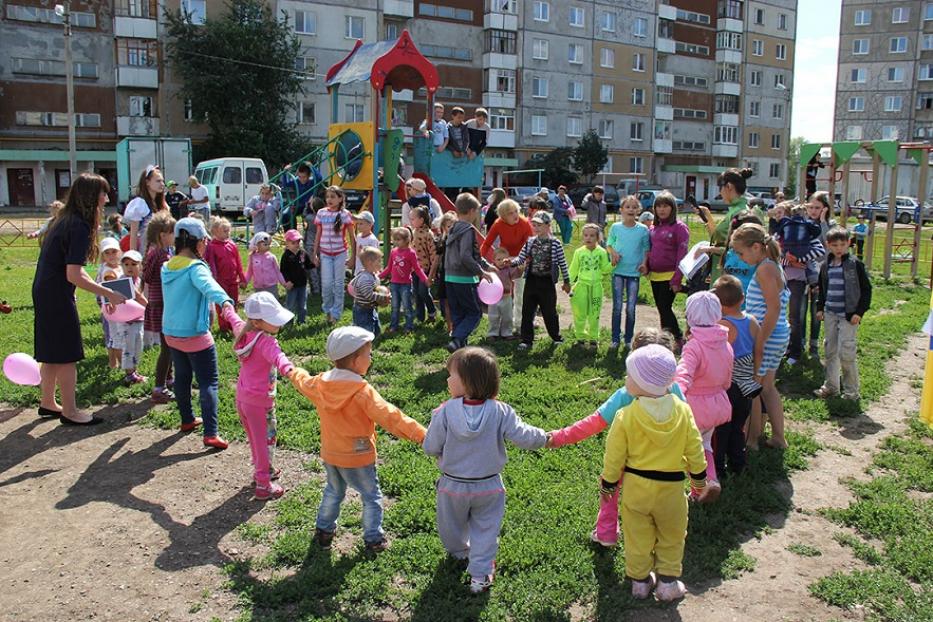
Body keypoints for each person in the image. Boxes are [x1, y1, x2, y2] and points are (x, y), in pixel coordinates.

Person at [287, 326, 427, 551]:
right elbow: (391, 416)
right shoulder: (362, 391)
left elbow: (303, 381)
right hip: (359, 456)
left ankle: (324, 530)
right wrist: (421, 434)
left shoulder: (321, 383)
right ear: (355, 361)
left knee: (333, 490)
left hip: (331, 453)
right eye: (368, 354)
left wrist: (293, 371)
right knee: (371, 496)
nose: (371, 358)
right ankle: (374, 538)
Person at [423, 347, 547, 593]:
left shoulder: (445, 411)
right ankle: (480, 575)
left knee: (451, 526)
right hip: (489, 487)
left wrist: (439, 451)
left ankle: (459, 552)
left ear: (468, 381)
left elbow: (429, 446)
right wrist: (545, 438)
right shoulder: (501, 411)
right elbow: (523, 436)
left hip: (452, 486)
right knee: (486, 530)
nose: (447, 380)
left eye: (452, 375)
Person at [547, 328, 685, 548]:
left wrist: (560, 437)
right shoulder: (674, 389)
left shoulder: (625, 394)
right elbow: (688, 424)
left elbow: (594, 422)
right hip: (664, 461)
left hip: (625, 460)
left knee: (609, 487)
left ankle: (606, 532)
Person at [600, 344, 708, 601]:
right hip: (671, 490)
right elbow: (695, 448)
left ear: (643, 382)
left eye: (630, 376)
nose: (626, 380)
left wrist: (608, 485)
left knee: (637, 535)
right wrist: (699, 481)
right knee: (672, 535)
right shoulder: (683, 410)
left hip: (637, 490)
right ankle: (668, 583)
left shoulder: (626, 415)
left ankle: (639, 581)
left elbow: (614, 457)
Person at [33, 173, 128, 425]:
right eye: (103, 193)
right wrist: (109, 293)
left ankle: (47, 403)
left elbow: (74, 269)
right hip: (56, 295)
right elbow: (73, 273)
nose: (106, 198)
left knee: (51, 351)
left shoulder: (65, 220)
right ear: (90, 196)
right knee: (66, 354)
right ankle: (70, 411)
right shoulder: (79, 225)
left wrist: (100, 289)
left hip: (46, 291)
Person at [161, 217, 234, 449]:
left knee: (182, 377)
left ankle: (187, 419)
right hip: (195, 335)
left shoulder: (167, 266)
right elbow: (209, 286)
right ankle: (211, 432)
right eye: (204, 241)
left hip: (171, 333)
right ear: (197, 242)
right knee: (209, 382)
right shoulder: (195, 268)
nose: (206, 245)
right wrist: (225, 301)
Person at [221, 292, 295, 500]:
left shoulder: (244, 332)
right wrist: (289, 370)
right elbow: (278, 358)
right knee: (264, 441)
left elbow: (234, 318)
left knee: (255, 439)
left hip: (243, 398)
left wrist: (227, 308)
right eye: (273, 319)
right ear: (257, 321)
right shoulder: (267, 342)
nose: (278, 323)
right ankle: (263, 484)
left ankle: (262, 471)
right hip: (260, 403)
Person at [730, 223, 790, 450]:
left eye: (741, 252)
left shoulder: (764, 269)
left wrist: (760, 340)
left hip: (768, 335)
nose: (740, 257)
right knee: (767, 387)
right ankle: (777, 437)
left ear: (756, 247)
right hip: (778, 334)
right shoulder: (773, 265)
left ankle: (752, 439)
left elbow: (773, 308)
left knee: (752, 389)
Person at [674, 292, 733, 500]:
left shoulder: (694, 346)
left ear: (690, 317)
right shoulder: (725, 344)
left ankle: (693, 487)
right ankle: (711, 480)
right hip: (717, 404)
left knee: (685, 449)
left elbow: (684, 374)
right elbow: (727, 378)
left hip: (695, 408)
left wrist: (675, 395)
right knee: (704, 445)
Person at [814, 226, 872, 400]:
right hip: (830, 313)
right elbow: (822, 289)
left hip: (849, 315)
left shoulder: (855, 265)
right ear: (828, 245)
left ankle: (851, 391)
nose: (838, 248)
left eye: (842, 244)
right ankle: (831, 386)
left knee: (846, 353)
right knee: (830, 350)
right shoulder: (825, 266)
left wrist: (859, 312)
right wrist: (819, 307)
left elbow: (866, 289)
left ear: (848, 244)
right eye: (834, 245)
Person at [712, 275, 761, 476]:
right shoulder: (751, 320)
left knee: (721, 429)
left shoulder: (723, 325)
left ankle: (718, 467)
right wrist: (756, 374)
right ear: (743, 298)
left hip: (728, 385)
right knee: (738, 427)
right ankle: (738, 464)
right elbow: (759, 350)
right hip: (746, 383)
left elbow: (720, 355)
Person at [505, 211, 571, 350]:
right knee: (527, 311)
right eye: (534, 225)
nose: (536, 228)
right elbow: (521, 258)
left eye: (539, 225)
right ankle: (526, 340)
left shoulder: (555, 243)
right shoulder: (530, 242)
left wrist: (566, 281)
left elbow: (563, 263)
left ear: (548, 226)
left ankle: (556, 337)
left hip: (547, 282)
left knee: (549, 311)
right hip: (532, 280)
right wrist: (511, 262)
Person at [445, 193, 496, 352]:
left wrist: (487, 265)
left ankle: (459, 346)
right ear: (472, 211)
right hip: (464, 279)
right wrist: (481, 272)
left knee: (459, 313)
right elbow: (466, 256)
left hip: (450, 278)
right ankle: (457, 339)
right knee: (474, 313)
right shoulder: (467, 230)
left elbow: (474, 255)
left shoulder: (452, 228)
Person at [696, 168, 760, 282]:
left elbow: (738, 248)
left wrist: (708, 249)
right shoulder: (735, 209)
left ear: (729, 186)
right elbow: (719, 238)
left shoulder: (739, 212)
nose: (720, 192)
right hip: (726, 267)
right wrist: (708, 217)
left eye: (720, 188)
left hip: (734, 272)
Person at [480, 199, 534, 333]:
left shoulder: (525, 223)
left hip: (521, 260)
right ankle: (500, 325)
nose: (515, 215)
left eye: (516, 211)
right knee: (503, 294)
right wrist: (479, 261)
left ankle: (520, 323)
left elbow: (531, 246)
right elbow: (487, 243)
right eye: (510, 213)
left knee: (520, 293)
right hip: (504, 262)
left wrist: (522, 261)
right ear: (503, 216)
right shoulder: (498, 224)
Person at [646, 192, 690, 348]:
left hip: (670, 274)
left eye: (665, 206)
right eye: (658, 206)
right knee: (661, 308)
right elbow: (650, 249)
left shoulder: (679, 227)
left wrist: (677, 278)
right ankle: (665, 339)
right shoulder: (654, 227)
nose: (661, 209)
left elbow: (682, 254)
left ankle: (678, 338)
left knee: (665, 307)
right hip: (654, 275)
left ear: (672, 208)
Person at [607, 195, 650, 349]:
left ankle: (628, 339)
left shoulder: (643, 229)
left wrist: (644, 264)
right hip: (618, 271)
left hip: (634, 273)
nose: (631, 209)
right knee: (617, 306)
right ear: (621, 210)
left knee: (631, 307)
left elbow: (646, 249)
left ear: (638, 210)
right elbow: (609, 244)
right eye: (627, 207)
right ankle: (615, 338)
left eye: (634, 207)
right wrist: (613, 253)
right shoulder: (615, 227)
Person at [143, 212, 177, 404]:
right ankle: (159, 387)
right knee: (167, 348)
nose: (175, 236)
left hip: (158, 304)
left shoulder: (154, 252)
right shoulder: (162, 255)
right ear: (163, 234)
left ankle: (168, 379)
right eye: (173, 232)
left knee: (169, 345)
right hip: (164, 305)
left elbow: (146, 277)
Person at [313, 185, 356, 324]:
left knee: (338, 284)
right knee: (326, 284)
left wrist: (353, 257)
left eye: (333, 197)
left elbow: (352, 237)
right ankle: (327, 310)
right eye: (327, 197)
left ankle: (336, 313)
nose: (329, 200)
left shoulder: (345, 214)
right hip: (325, 253)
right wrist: (315, 253)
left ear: (340, 198)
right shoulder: (321, 213)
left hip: (340, 253)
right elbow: (318, 235)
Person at [109, 250, 149, 385]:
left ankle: (134, 370)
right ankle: (129, 374)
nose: (129, 267)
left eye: (133, 264)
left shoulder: (139, 280)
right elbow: (137, 297)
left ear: (140, 266)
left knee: (138, 344)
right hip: (126, 322)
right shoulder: (123, 281)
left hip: (138, 319)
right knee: (128, 346)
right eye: (126, 264)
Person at [379, 227, 430, 333]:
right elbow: (388, 268)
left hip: (405, 285)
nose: (396, 242)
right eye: (395, 239)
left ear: (407, 240)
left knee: (407, 307)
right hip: (394, 284)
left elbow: (417, 269)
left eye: (398, 239)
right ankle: (394, 326)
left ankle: (409, 326)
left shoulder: (411, 253)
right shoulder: (393, 252)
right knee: (394, 306)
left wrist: (425, 279)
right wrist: (378, 276)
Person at [569, 223, 612, 345]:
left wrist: (613, 264)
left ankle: (593, 338)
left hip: (596, 288)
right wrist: (568, 283)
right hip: (581, 287)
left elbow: (604, 269)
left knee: (595, 313)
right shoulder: (579, 252)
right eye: (586, 235)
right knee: (580, 313)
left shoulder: (602, 252)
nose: (588, 238)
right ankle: (580, 337)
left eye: (592, 235)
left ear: (598, 238)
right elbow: (573, 269)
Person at [204, 217, 246, 333]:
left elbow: (238, 262)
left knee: (234, 302)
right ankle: (223, 327)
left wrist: (242, 277)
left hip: (233, 279)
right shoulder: (212, 246)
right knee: (222, 303)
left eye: (228, 230)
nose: (228, 233)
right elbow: (211, 264)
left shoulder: (232, 245)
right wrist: (213, 279)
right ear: (215, 231)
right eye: (225, 231)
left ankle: (233, 324)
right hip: (220, 281)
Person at [125, 165, 168, 254]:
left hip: (163, 251)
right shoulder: (139, 204)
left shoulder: (162, 204)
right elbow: (134, 235)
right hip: (146, 254)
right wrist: (134, 257)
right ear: (147, 182)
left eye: (163, 181)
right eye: (158, 181)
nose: (162, 184)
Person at [95, 237, 124, 370]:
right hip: (112, 309)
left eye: (114, 251)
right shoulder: (108, 271)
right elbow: (111, 288)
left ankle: (113, 363)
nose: (111, 255)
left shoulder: (118, 267)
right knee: (115, 338)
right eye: (107, 253)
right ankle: (122, 365)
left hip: (118, 308)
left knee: (112, 337)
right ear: (103, 255)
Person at [349, 247, 389, 337]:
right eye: (379, 261)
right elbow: (369, 295)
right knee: (365, 332)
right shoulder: (365, 279)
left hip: (371, 307)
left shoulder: (373, 275)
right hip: (362, 310)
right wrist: (382, 297)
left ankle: (373, 338)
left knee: (376, 328)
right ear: (370, 263)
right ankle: (362, 344)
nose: (381, 263)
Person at [409, 206, 439, 323]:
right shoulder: (413, 232)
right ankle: (420, 317)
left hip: (425, 269)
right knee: (416, 293)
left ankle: (431, 312)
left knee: (423, 292)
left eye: (413, 219)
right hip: (414, 269)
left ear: (421, 220)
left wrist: (432, 272)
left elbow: (433, 253)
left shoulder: (428, 234)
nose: (411, 221)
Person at [280, 229, 314, 324]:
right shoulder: (286, 256)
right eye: (293, 242)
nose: (297, 244)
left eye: (298, 241)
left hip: (302, 284)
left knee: (302, 304)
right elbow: (283, 271)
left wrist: (315, 264)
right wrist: (287, 281)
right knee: (290, 304)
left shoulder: (302, 253)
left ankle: (301, 321)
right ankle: (288, 322)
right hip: (292, 285)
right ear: (287, 243)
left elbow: (308, 265)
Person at [487, 247, 521, 340]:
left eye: (504, 260)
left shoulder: (509, 269)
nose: (502, 262)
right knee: (493, 316)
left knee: (508, 316)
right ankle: (492, 333)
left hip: (506, 296)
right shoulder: (491, 269)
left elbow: (516, 275)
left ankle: (507, 332)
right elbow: (485, 282)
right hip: (493, 298)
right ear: (493, 260)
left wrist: (520, 268)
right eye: (499, 259)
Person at [435, 211, 458, 335]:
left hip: (457, 275)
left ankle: (457, 325)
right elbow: (437, 259)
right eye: (449, 226)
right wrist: (431, 275)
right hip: (445, 275)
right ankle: (450, 327)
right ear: (443, 228)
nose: (452, 228)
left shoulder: (460, 240)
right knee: (448, 302)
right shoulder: (442, 242)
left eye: (454, 225)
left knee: (456, 302)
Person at [244, 231, 285, 297]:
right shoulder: (252, 257)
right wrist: (245, 282)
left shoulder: (272, 257)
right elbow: (249, 271)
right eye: (265, 244)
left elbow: (278, 272)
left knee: (272, 304)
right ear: (257, 244)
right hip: (258, 287)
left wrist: (283, 283)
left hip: (271, 286)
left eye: (269, 244)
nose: (268, 246)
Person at [303, 196, 324, 295]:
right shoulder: (324, 217)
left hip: (310, 245)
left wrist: (306, 204)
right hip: (321, 245)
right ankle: (322, 287)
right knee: (321, 268)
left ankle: (315, 289)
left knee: (312, 268)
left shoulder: (310, 218)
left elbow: (304, 214)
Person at [352, 210, 380, 275]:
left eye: (361, 224)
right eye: (358, 224)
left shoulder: (372, 240)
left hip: (369, 271)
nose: (358, 226)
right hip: (358, 270)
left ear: (370, 225)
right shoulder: (359, 236)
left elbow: (375, 256)